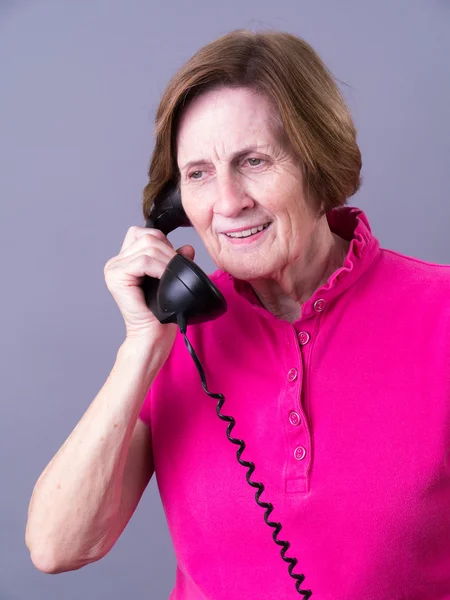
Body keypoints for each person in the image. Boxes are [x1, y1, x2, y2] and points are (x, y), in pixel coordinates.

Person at [25, 28, 450, 599]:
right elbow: (57, 547)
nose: (227, 203)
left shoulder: (438, 311)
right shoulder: (177, 336)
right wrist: (140, 348)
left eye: (253, 161)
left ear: (318, 164)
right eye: (198, 173)